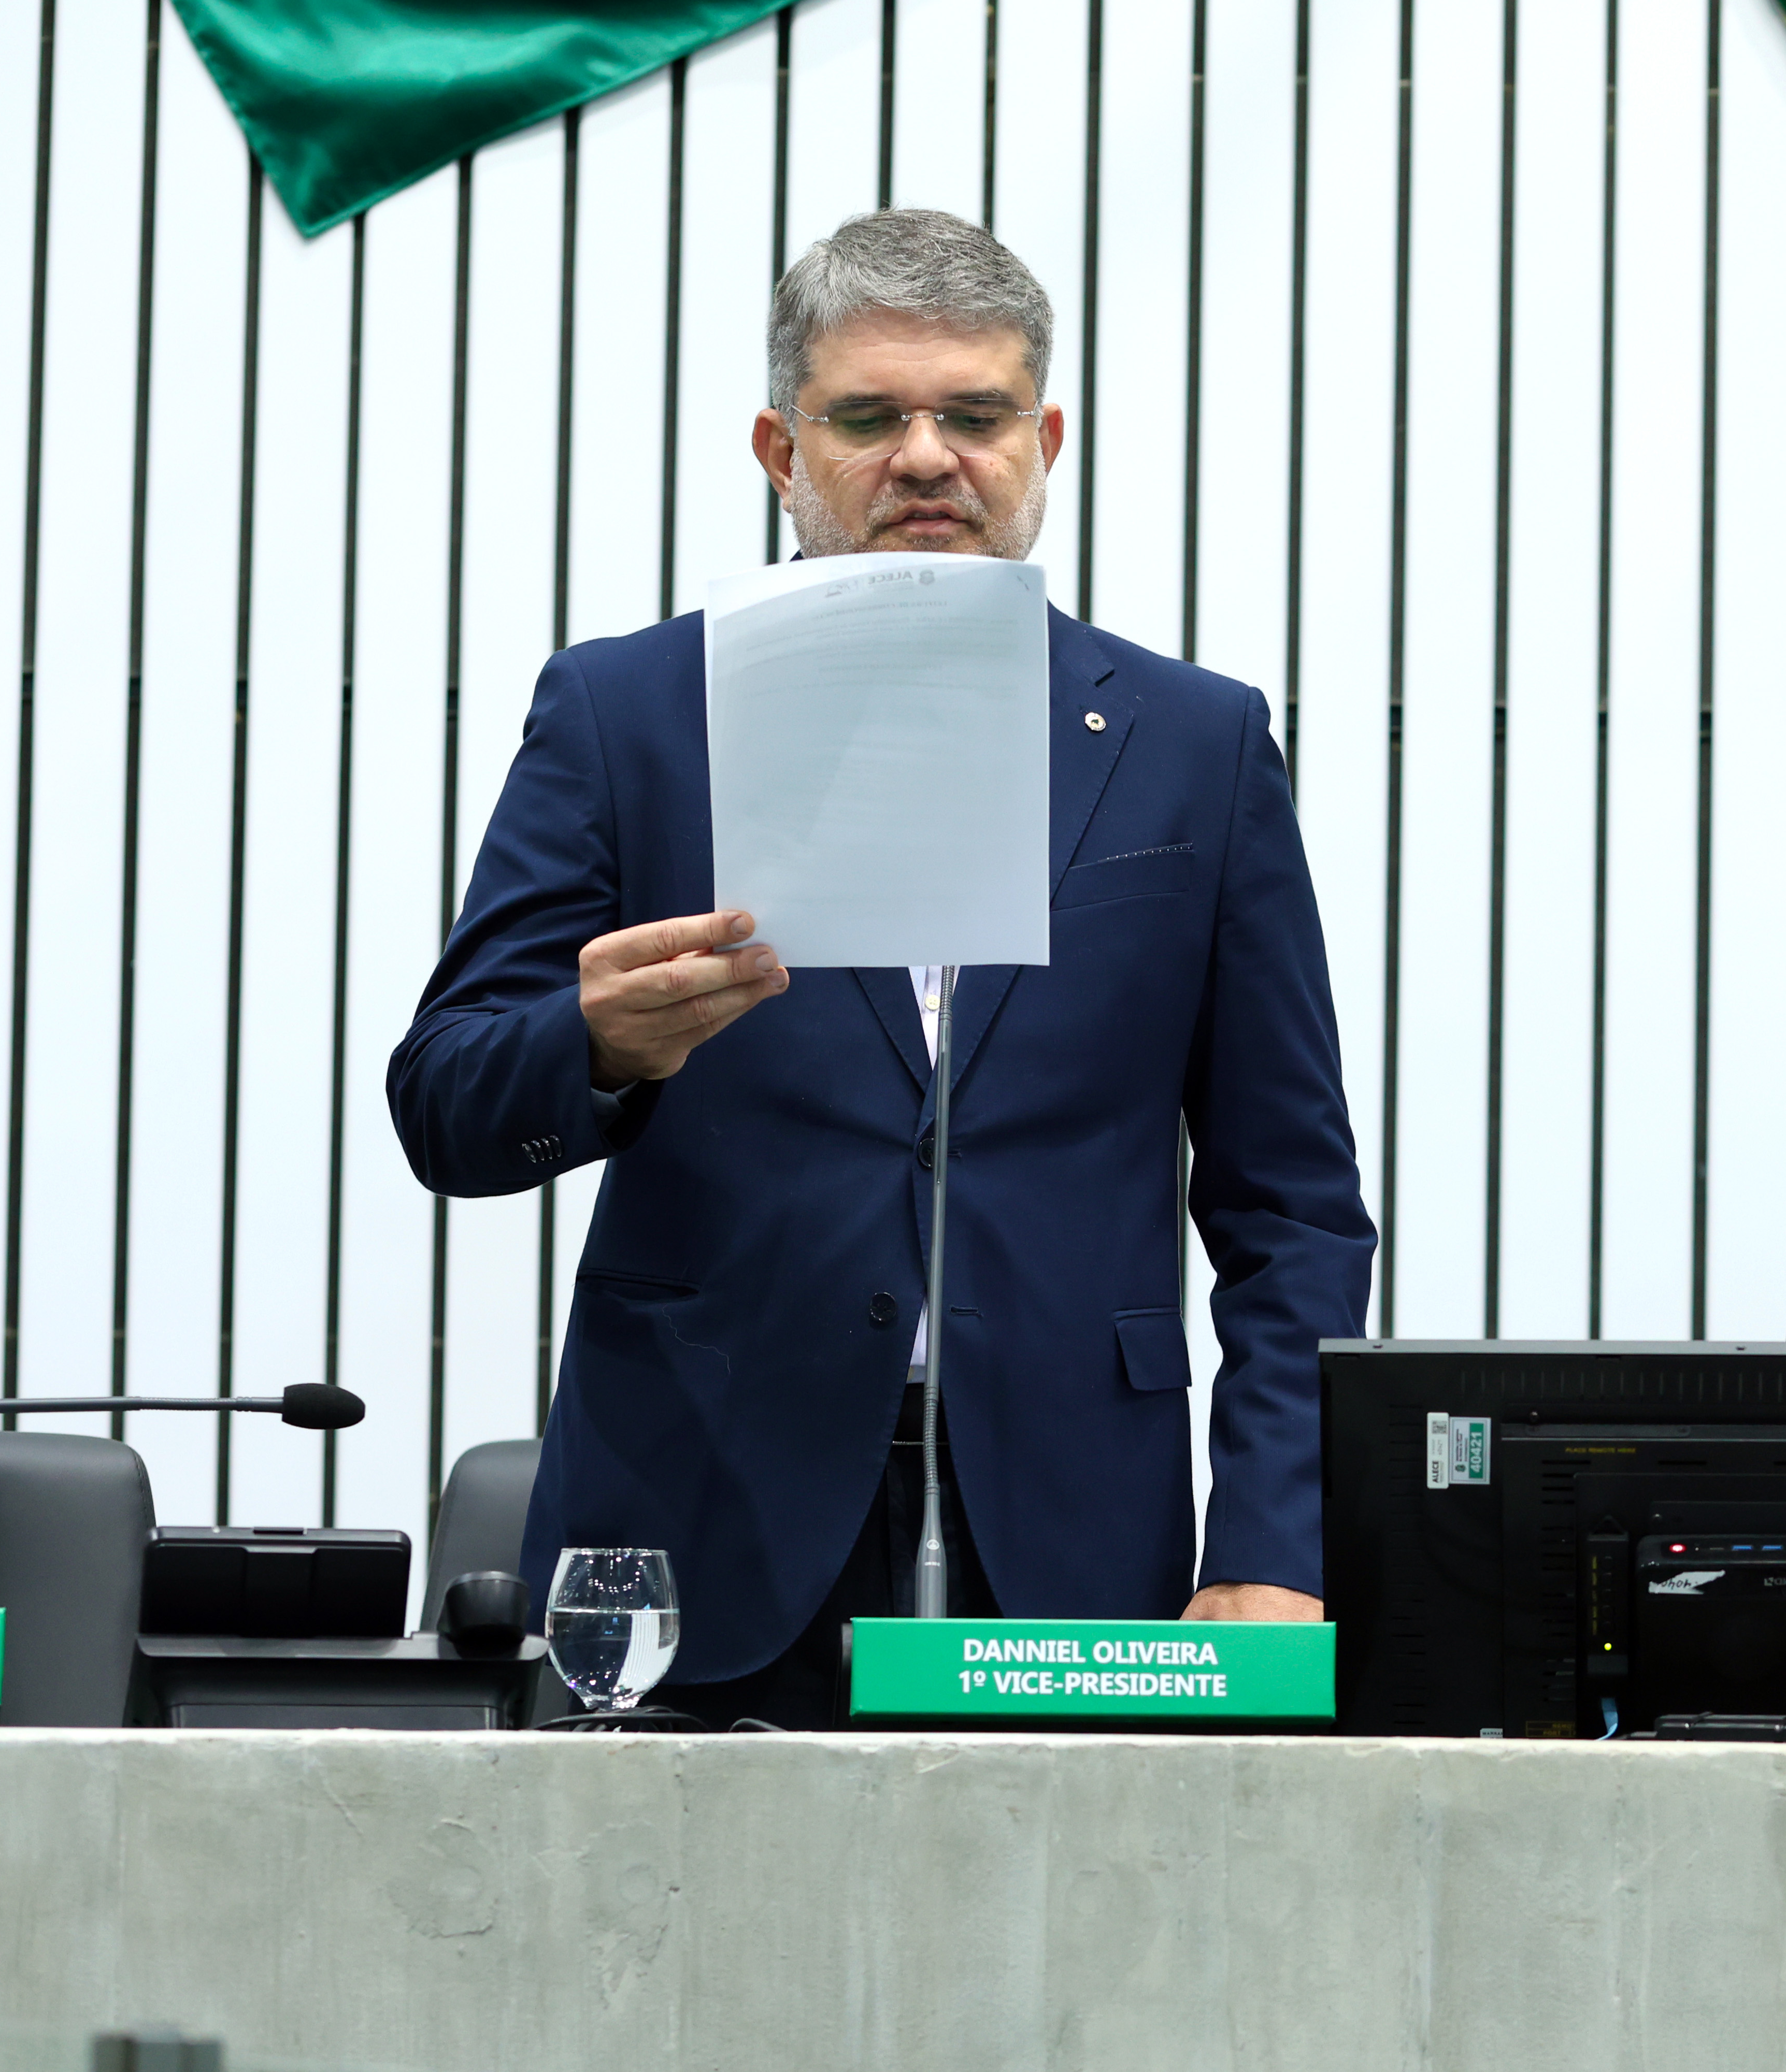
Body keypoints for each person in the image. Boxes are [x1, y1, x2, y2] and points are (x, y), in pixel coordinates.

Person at [388, 209, 1374, 1727]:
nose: (928, 456)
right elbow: (447, 1104)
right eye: (870, 418)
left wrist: (1273, 1541)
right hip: (695, 1520)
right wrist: (598, 1045)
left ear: (1044, 440)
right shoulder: (626, 713)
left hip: (1067, 1525)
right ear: (781, 450)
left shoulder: (1196, 745)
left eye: (975, 417)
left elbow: (1292, 1204)